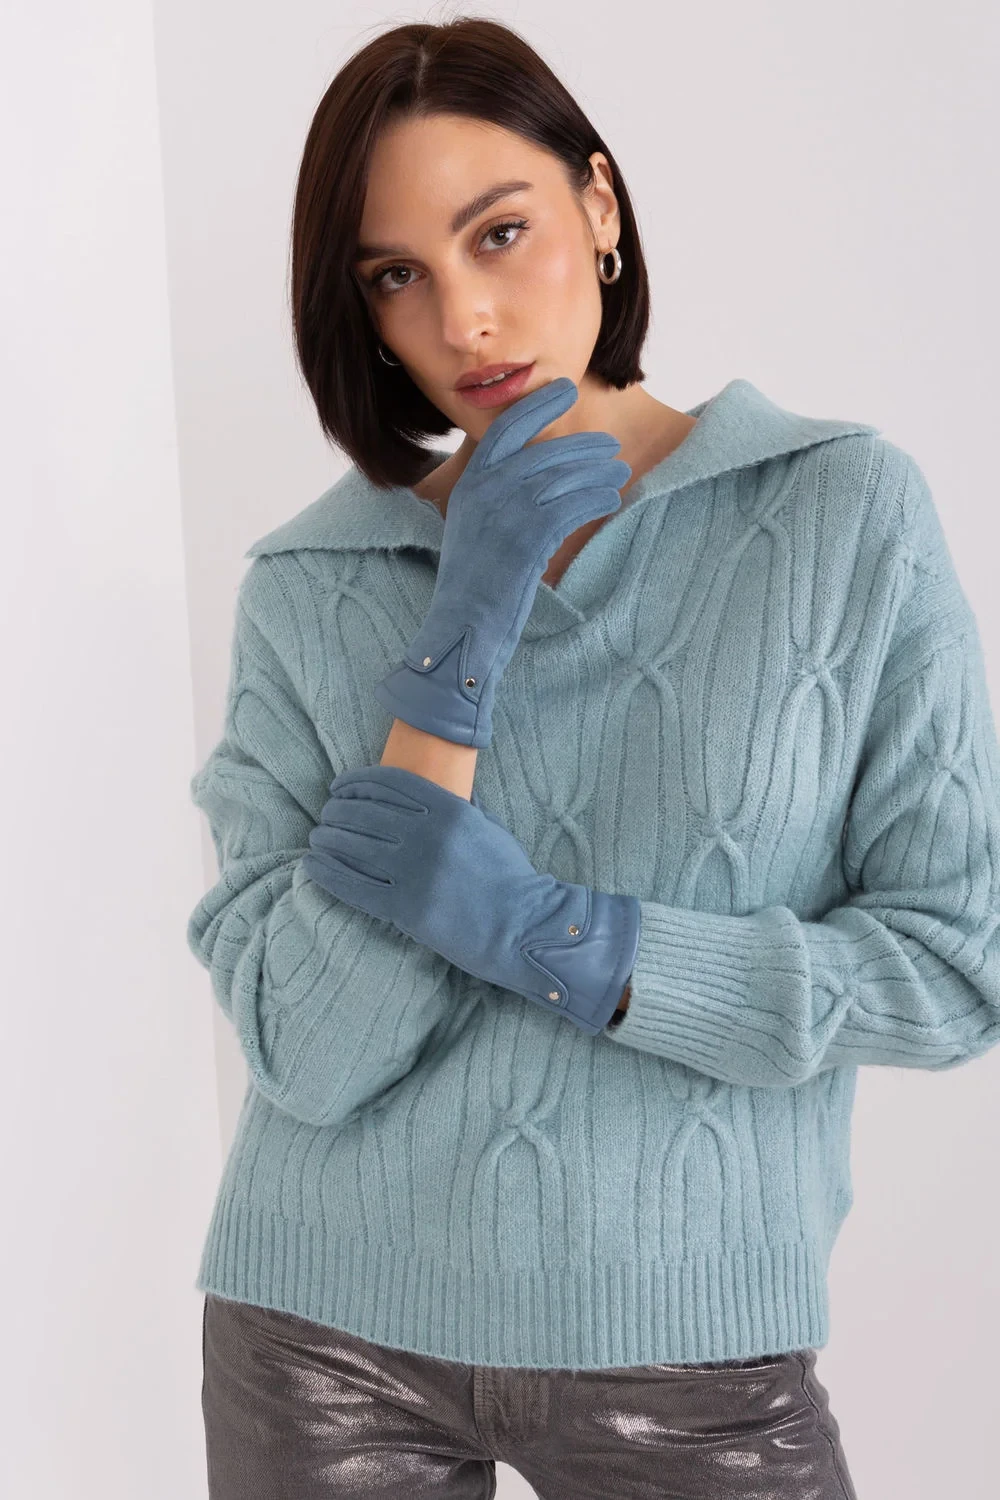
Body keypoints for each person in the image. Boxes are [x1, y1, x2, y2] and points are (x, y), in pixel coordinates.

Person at [187, 17, 1000, 1500]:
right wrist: (465, 630)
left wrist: (569, 941)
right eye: (396, 276)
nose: (466, 319)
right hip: (323, 1336)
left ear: (600, 207)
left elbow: (957, 967)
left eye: (499, 234)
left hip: (691, 1344)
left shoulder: (841, 514)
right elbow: (307, 1053)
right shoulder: (311, 583)